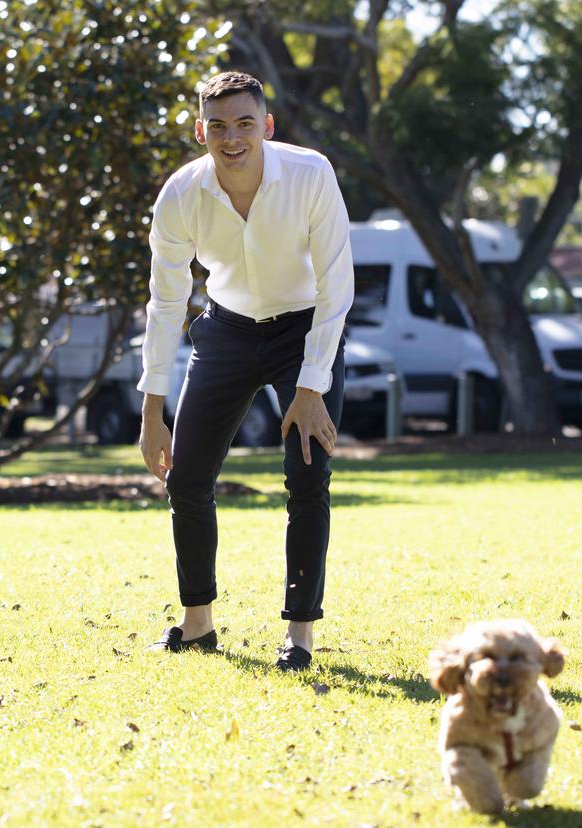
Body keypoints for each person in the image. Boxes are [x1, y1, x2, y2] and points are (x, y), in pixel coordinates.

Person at [138, 71, 354, 671]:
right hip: (227, 329)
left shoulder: (311, 175)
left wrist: (311, 388)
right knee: (186, 479)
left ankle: (301, 634)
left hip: (305, 329)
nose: (232, 137)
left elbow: (337, 288)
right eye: (218, 125)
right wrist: (153, 413)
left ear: (267, 125)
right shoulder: (180, 195)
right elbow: (164, 304)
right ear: (200, 129)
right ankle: (197, 623)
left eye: (244, 123)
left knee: (307, 475)